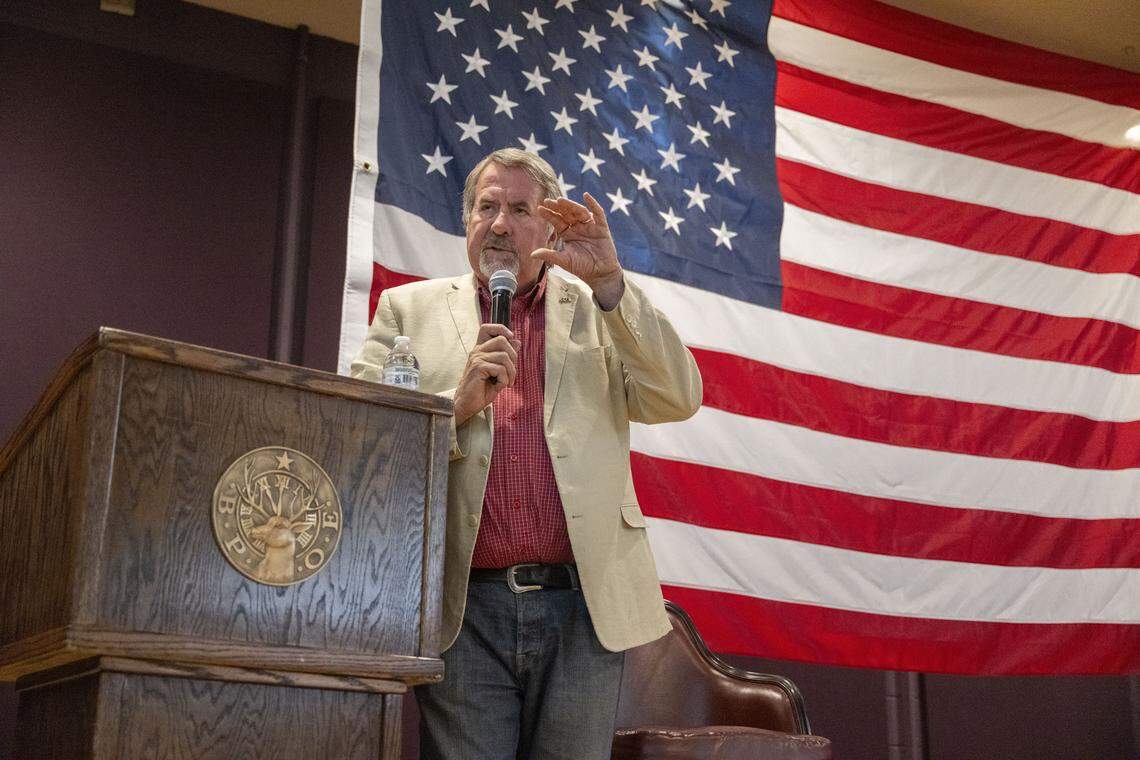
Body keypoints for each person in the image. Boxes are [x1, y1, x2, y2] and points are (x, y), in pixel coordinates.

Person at [351, 148, 702, 760]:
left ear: (549, 227)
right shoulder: (407, 310)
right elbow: (360, 439)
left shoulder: (597, 311)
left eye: (519, 208)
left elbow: (678, 396)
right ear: (468, 222)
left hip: (582, 610)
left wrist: (614, 286)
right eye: (487, 207)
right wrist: (451, 406)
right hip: (463, 607)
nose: (501, 224)